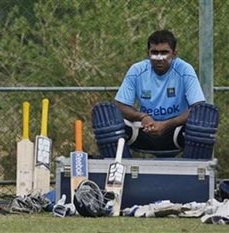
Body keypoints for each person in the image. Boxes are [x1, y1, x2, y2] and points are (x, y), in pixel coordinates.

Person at [91, 30, 218, 159]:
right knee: (106, 116)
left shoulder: (185, 69)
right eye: (154, 53)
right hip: (144, 129)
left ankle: (194, 176)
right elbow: (119, 105)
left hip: (175, 131)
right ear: (148, 53)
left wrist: (166, 125)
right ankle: (120, 174)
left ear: (174, 54)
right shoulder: (137, 70)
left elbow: (198, 108)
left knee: (204, 119)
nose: (159, 58)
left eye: (164, 53)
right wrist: (143, 117)